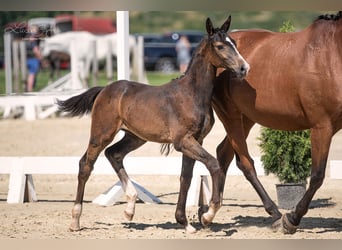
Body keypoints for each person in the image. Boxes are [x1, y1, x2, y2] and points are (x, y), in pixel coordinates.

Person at [25, 25, 42, 92]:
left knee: (29, 74)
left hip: (26, 58)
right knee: (32, 74)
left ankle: (27, 88)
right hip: (33, 59)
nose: (37, 32)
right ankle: (30, 89)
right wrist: (40, 57)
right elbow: (35, 50)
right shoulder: (33, 38)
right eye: (36, 30)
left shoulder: (26, 37)